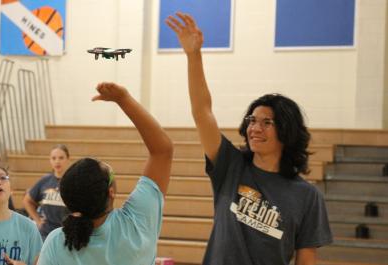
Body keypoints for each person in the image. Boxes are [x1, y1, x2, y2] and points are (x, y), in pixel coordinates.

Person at [166, 13, 333, 265]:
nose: (255, 128)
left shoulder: (308, 196)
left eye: (267, 123)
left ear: (286, 131)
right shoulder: (230, 166)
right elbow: (202, 112)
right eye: (252, 121)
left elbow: (306, 260)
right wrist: (193, 56)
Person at [37, 82, 173, 265]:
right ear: (111, 192)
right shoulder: (135, 224)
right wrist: (123, 99)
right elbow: (162, 150)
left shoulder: (56, 242)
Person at [23, 144, 71, 240]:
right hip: (46, 234)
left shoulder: (73, 182)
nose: (57, 161)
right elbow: (27, 201)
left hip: (67, 234)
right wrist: (38, 220)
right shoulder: (45, 180)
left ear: (68, 159)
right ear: (50, 160)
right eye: (54, 158)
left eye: (61, 158)